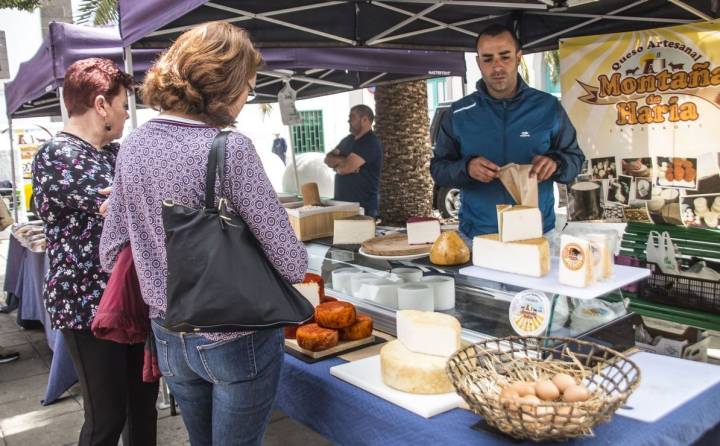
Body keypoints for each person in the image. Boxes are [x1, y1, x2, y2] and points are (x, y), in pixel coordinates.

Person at [99, 22, 308, 446]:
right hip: (236, 335)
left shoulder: (132, 147)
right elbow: (292, 263)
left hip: (169, 335)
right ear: (224, 83)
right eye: (247, 87)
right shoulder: (230, 148)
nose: (247, 98)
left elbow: (110, 252)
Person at [31, 58, 158, 446]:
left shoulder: (113, 153)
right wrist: (132, 196)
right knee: (107, 416)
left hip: (131, 300)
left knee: (142, 407)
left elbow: (144, 197)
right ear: (101, 104)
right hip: (88, 305)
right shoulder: (58, 155)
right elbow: (126, 206)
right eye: (122, 105)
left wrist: (133, 195)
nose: (125, 115)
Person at [430, 24, 585, 240]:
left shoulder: (548, 107)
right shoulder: (458, 113)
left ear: (519, 57)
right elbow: (438, 169)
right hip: (479, 235)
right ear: (478, 62)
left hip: (538, 233)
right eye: (488, 59)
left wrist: (556, 163)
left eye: (505, 57)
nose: (497, 67)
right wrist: (467, 168)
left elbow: (576, 159)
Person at [324, 105, 384, 217]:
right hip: (343, 206)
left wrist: (339, 165)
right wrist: (343, 162)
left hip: (362, 208)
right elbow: (328, 159)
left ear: (365, 120)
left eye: (352, 117)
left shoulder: (370, 142)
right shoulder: (348, 140)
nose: (348, 121)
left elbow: (345, 168)